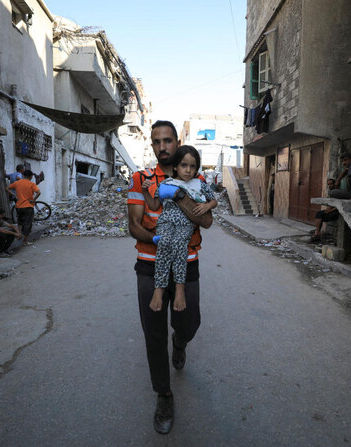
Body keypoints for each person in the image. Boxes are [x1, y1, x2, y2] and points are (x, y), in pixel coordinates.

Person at [127, 120, 213, 434]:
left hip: (188, 265)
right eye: (156, 142)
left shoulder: (194, 177)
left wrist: (178, 197)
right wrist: (159, 241)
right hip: (149, 265)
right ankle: (163, 394)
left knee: (190, 323)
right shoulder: (141, 178)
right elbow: (134, 225)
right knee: (153, 335)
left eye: (167, 141)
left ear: (178, 142)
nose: (162, 147)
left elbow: (207, 222)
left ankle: (181, 341)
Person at [141, 145, 217, 315]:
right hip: (166, 222)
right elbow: (153, 205)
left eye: (192, 166)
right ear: (175, 166)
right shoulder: (166, 183)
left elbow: (214, 200)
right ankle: (159, 289)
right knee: (165, 245)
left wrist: (206, 206)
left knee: (179, 246)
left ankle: (180, 287)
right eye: (184, 165)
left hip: (185, 224)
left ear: (197, 168)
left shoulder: (200, 184)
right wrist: (145, 191)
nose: (188, 170)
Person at [6, 170, 40, 246]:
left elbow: (7, 188)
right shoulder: (31, 184)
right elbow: (38, 192)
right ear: (31, 176)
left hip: (18, 206)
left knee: (20, 222)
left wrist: (14, 195)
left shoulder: (17, 183)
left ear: (23, 175)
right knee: (28, 224)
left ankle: (19, 236)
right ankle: (24, 241)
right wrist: (33, 200)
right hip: (28, 206)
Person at [309, 178, 340, 243]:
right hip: (331, 211)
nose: (330, 186)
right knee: (319, 214)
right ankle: (317, 233)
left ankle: (317, 234)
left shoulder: (337, 193)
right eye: (328, 184)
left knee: (319, 214)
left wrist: (330, 210)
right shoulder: (331, 192)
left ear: (335, 184)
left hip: (337, 213)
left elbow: (339, 206)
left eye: (331, 184)